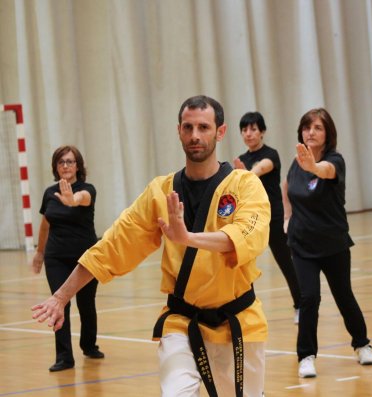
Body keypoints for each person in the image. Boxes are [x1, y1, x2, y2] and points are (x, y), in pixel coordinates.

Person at [32, 95, 271, 397]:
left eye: (203, 127)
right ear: (178, 131)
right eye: (188, 127)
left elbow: (247, 235)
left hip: (238, 321)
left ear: (220, 132)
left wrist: (188, 238)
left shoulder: (245, 185)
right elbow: (114, 244)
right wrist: (61, 296)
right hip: (182, 323)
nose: (195, 135)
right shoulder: (161, 191)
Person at [282, 108, 372, 378]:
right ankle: (306, 356)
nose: (311, 132)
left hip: (333, 243)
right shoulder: (296, 162)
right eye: (306, 127)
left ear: (327, 134)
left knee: (344, 296)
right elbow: (286, 186)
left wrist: (312, 167)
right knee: (308, 298)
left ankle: (362, 344)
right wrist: (287, 218)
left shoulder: (335, 160)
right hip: (301, 245)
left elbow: (325, 171)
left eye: (317, 128)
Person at [30, 145, 104, 372]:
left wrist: (72, 199)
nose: (65, 166)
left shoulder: (87, 189)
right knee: (58, 304)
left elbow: (82, 199)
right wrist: (40, 252)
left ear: (78, 166)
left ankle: (89, 345)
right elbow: (45, 224)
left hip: (85, 260)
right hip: (56, 258)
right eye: (61, 162)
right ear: (56, 167)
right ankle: (64, 357)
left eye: (70, 162)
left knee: (86, 303)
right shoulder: (49, 193)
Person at [233, 111, 301, 323]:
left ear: (262, 132)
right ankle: (246, 308)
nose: (248, 133)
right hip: (251, 220)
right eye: (244, 130)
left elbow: (260, 170)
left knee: (286, 262)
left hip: (273, 217)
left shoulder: (271, 154)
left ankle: (300, 305)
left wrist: (244, 174)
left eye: (253, 129)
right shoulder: (241, 160)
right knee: (244, 264)